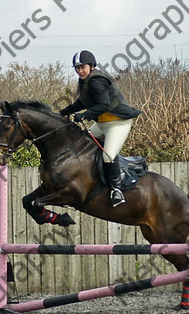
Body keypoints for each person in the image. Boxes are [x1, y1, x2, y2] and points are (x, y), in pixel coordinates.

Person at [59, 50, 141, 207]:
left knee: (108, 155)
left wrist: (83, 116)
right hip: (103, 124)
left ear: (91, 66)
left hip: (118, 123)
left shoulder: (97, 81)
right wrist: (65, 111)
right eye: (77, 68)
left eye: (82, 67)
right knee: (82, 143)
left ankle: (117, 191)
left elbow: (103, 104)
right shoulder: (85, 81)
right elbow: (82, 102)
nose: (80, 71)